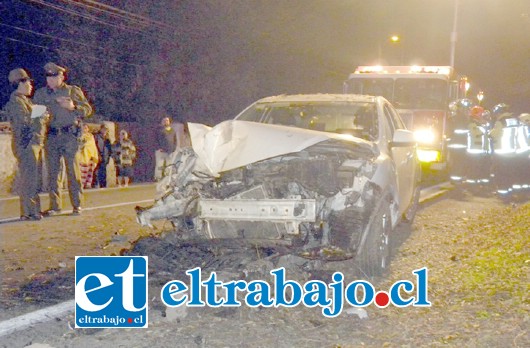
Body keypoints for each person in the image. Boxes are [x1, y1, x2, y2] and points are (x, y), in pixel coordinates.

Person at [33, 62, 92, 216]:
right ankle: (55, 205)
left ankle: (77, 204)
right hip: (51, 136)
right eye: (48, 77)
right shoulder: (41, 94)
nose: (51, 80)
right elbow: (35, 116)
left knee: (73, 171)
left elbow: (87, 110)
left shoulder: (72, 91)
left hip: (69, 136)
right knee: (53, 173)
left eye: (54, 77)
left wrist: (73, 107)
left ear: (62, 76)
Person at [4, 68, 47, 220]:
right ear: (20, 83)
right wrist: (40, 115)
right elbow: (24, 125)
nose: (31, 85)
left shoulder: (24, 101)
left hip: (31, 144)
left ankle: (32, 210)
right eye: (28, 82)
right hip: (27, 144)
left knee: (33, 178)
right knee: (30, 179)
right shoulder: (16, 102)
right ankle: (29, 212)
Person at [154, 116, 178, 181]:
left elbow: (175, 140)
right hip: (161, 151)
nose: (166, 122)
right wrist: (158, 148)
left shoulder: (172, 130)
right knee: (160, 165)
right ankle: (158, 178)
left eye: (167, 120)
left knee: (169, 165)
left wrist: (174, 148)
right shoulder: (159, 130)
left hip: (170, 151)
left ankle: (167, 178)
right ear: (162, 122)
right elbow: (155, 140)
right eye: (164, 121)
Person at [77, 124, 99, 189]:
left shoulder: (91, 136)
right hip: (82, 157)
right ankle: (82, 184)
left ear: (88, 129)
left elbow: (92, 146)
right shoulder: (79, 136)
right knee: (83, 172)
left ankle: (88, 184)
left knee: (90, 171)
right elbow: (80, 145)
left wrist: (94, 155)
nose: (84, 129)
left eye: (86, 128)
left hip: (91, 156)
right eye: (83, 128)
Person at [93, 124, 112, 188]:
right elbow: (95, 146)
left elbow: (109, 149)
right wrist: (98, 155)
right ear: (100, 129)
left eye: (105, 129)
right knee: (96, 170)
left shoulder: (107, 139)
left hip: (105, 157)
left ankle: (103, 184)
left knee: (103, 171)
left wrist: (108, 157)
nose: (104, 130)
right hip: (98, 156)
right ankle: (95, 184)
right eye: (103, 129)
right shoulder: (97, 137)